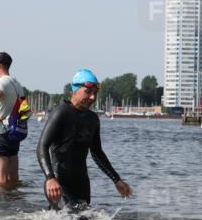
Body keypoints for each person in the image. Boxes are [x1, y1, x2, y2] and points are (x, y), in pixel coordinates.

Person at [36, 69, 132, 210]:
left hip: (81, 184)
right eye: (88, 92)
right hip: (57, 182)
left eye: (95, 93)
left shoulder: (92, 119)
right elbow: (42, 146)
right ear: (75, 90)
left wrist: (116, 180)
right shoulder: (61, 112)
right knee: (71, 219)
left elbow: (97, 153)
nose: (93, 97)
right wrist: (50, 178)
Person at [0, 51, 25, 188]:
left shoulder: (0, 82)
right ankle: (14, 205)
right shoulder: (17, 84)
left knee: (0, 181)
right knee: (13, 179)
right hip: (14, 134)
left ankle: (0, 208)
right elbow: (25, 109)